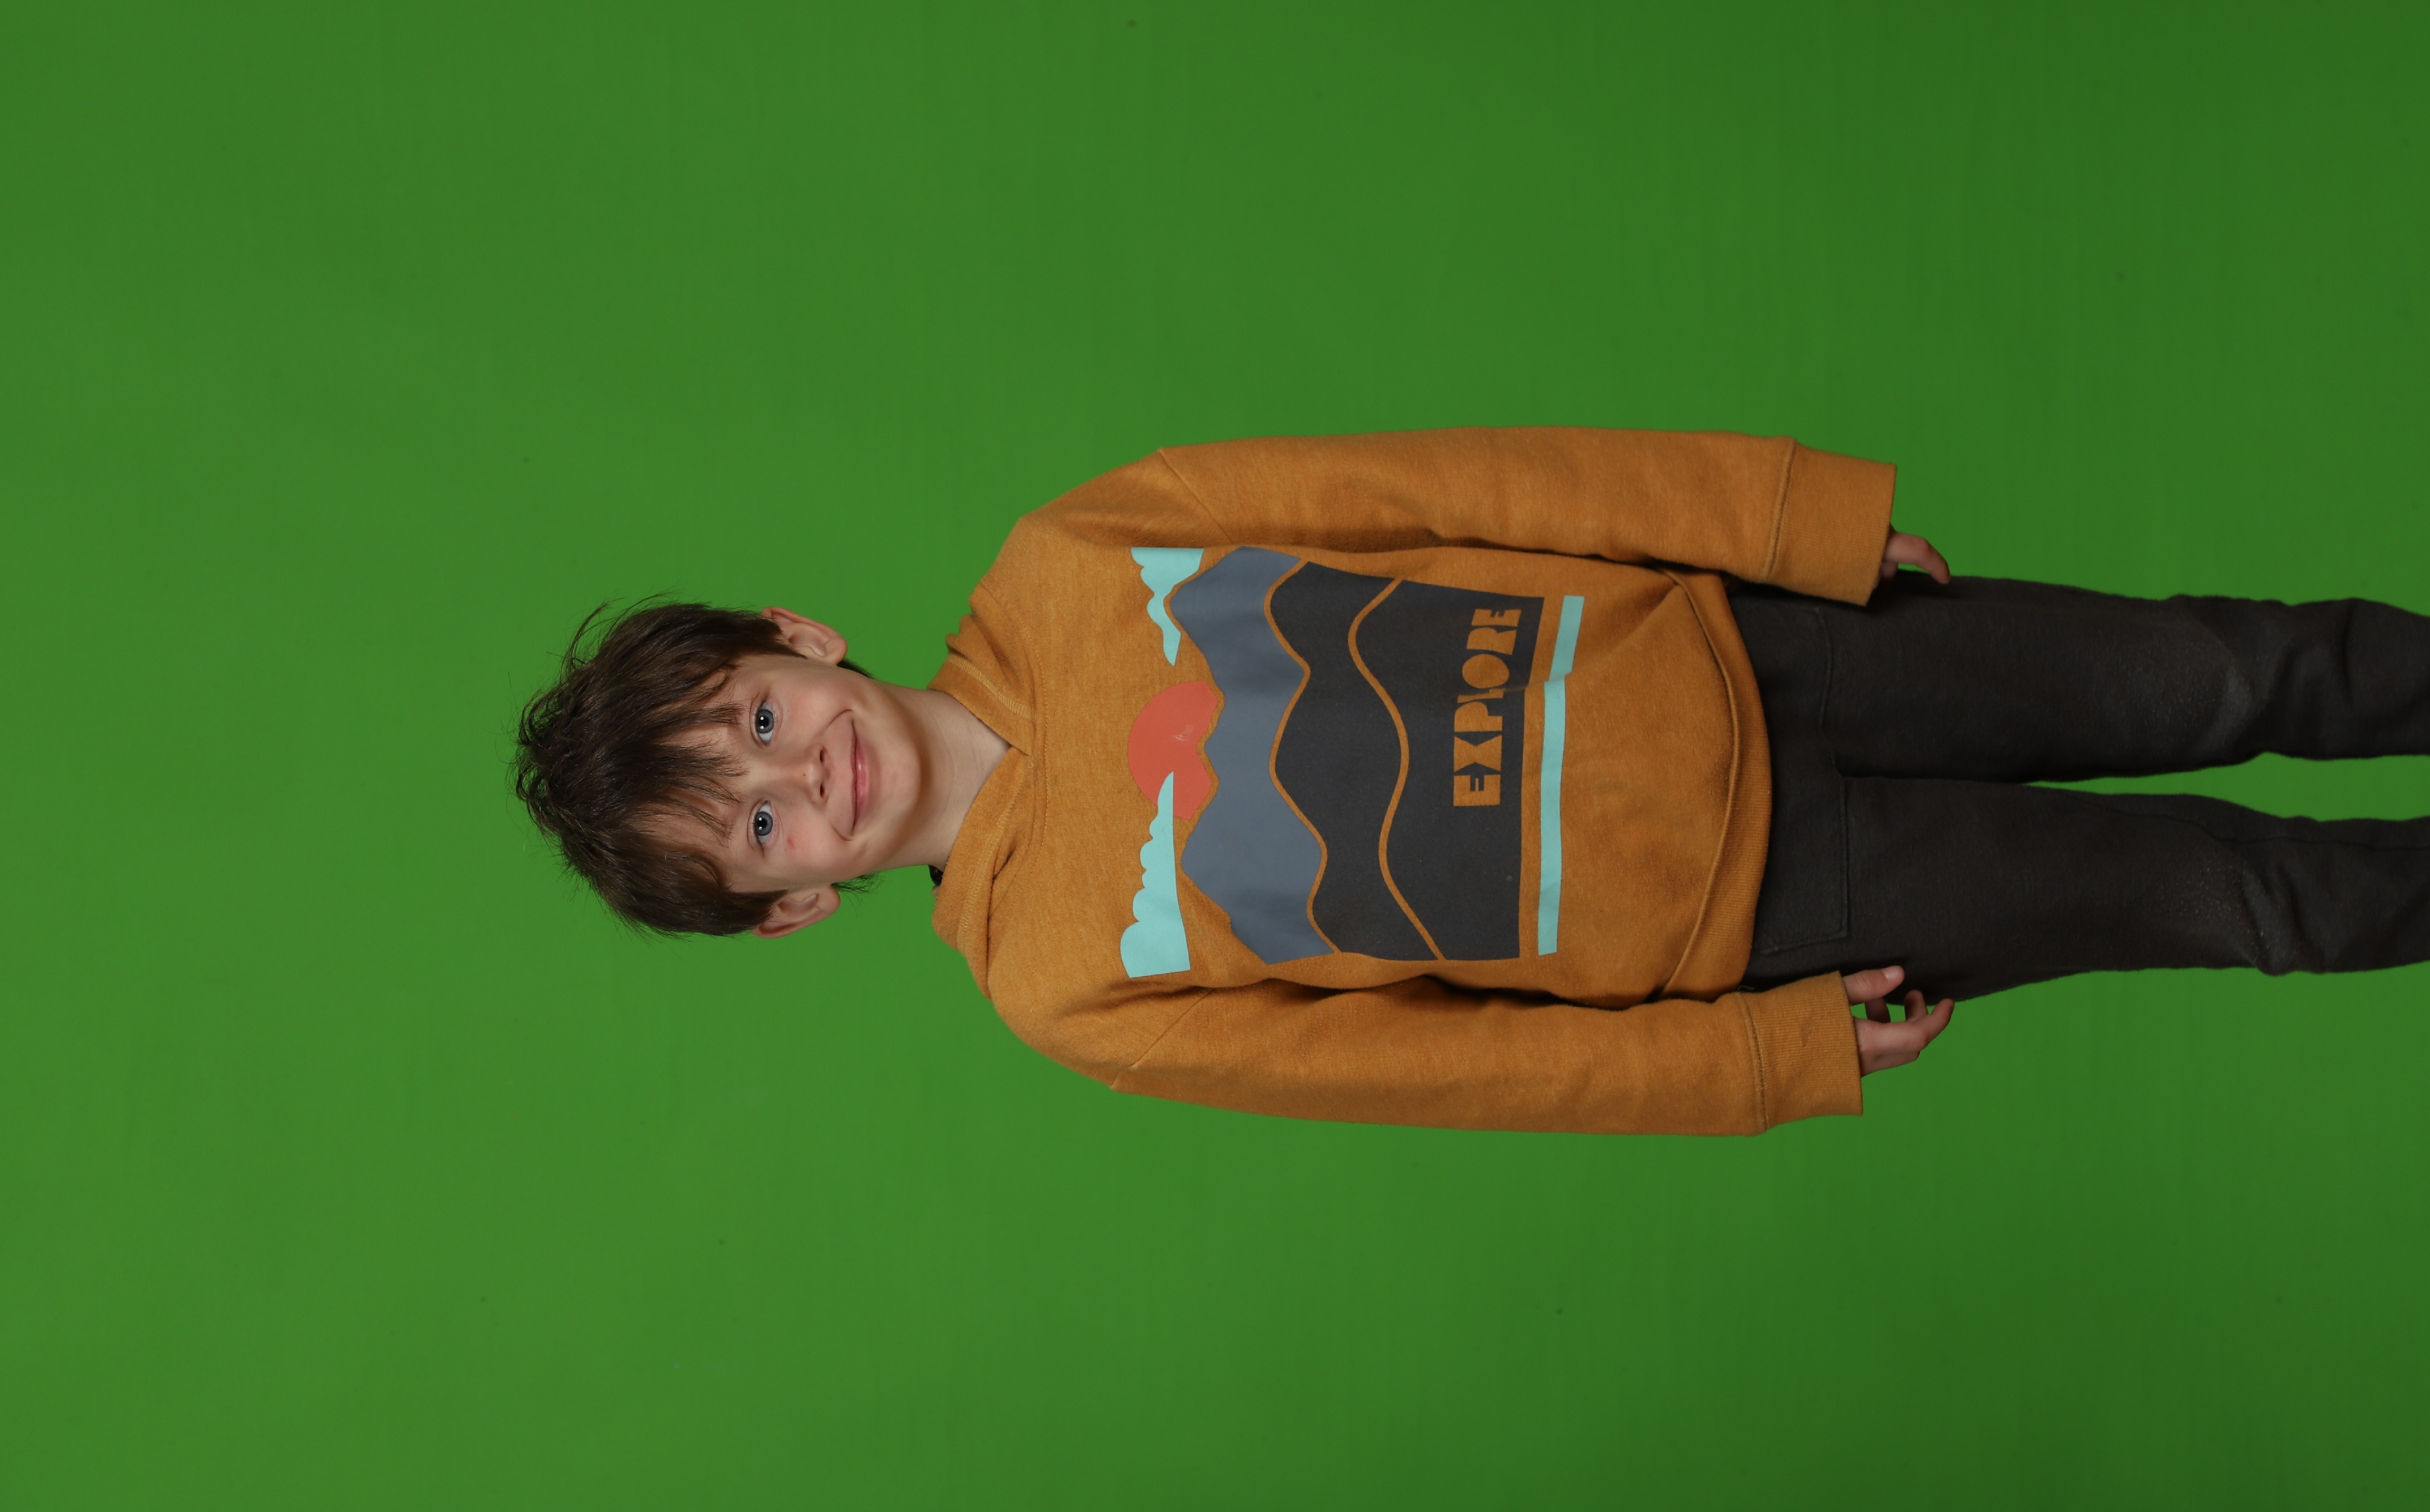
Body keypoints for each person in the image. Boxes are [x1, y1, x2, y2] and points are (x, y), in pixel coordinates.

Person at [513, 429, 2430, 1134]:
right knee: (2236, 895)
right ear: (792, 906)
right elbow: (1431, 1067)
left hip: (1755, 641)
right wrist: (1764, 1058)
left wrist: (1783, 520)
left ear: (793, 636)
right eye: (755, 822)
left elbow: (1437, 484)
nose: (803, 771)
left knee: (2229, 669)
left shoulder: (1068, 555)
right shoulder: (1055, 985)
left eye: (752, 719)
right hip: (1770, 911)